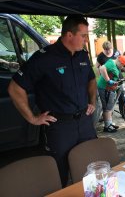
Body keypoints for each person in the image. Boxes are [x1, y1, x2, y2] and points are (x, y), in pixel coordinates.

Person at [7, 15, 97, 187]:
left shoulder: (83, 56)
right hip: (59, 127)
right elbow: (15, 88)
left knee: (90, 172)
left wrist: (92, 101)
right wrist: (33, 118)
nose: (86, 40)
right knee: (58, 176)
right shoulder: (44, 58)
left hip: (85, 122)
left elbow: (91, 79)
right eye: (83, 36)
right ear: (69, 35)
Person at [97, 55, 125, 133]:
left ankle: (109, 123)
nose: (122, 67)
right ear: (119, 62)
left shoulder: (115, 65)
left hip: (109, 89)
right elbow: (102, 68)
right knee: (107, 107)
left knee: (109, 107)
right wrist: (108, 80)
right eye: (122, 65)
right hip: (104, 88)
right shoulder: (112, 63)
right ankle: (107, 126)